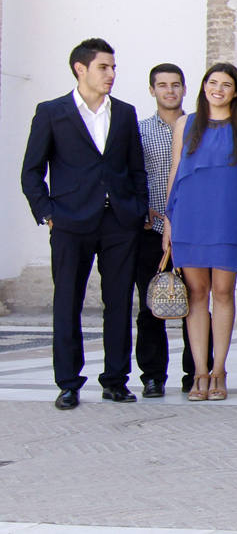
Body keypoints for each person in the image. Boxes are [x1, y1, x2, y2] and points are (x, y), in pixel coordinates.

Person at [22, 38, 148, 410]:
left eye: (113, 67)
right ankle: (68, 383)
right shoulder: (51, 112)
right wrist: (48, 213)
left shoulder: (124, 113)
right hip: (70, 223)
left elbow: (136, 168)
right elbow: (31, 172)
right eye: (104, 67)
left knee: (120, 302)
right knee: (67, 302)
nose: (111, 74)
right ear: (81, 69)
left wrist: (137, 208)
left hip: (118, 222)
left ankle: (115, 380)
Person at [163, 62, 237, 401]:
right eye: (212, 82)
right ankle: (199, 372)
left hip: (228, 218)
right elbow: (176, 171)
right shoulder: (184, 124)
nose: (218, 89)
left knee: (223, 292)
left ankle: (219, 369)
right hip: (189, 217)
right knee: (195, 293)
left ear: (235, 92)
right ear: (204, 86)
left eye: (226, 84)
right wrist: (168, 221)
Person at [135, 63, 186, 397]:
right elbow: (130, 175)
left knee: (197, 302)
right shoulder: (138, 131)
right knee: (150, 304)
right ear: (152, 90)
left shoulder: (196, 127)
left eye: (176, 84)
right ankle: (153, 376)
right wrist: (142, 210)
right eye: (162, 85)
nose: (169, 90)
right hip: (151, 229)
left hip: (191, 230)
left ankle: (196, 371)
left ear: (184, 88)